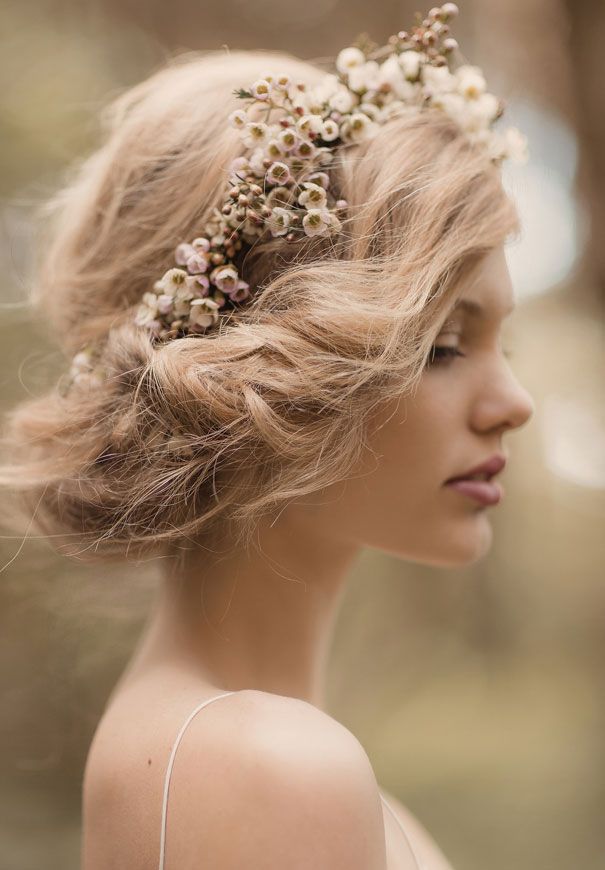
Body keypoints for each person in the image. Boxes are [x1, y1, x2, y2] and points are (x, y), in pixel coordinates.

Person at [0, 5, 534, 868]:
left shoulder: (247, 753)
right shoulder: (265, 768)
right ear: (265, 374)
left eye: (504, 342)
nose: (512, 401)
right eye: (440, 346)